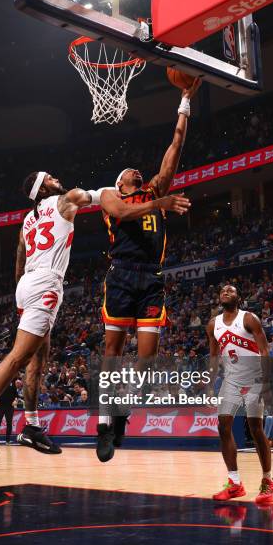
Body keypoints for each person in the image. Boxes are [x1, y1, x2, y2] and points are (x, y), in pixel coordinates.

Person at [0, 171, 190, 458]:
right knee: (19, 357)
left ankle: (32, 426)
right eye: (50, 178)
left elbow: (20, 255)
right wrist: (125, 189)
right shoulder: (66, 199)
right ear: (42, 187)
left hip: (26, 283)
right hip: (46, 283)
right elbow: (104, 198)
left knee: (38, 360)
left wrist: (22, 289)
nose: (56, 178)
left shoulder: (27, 220)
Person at [96, 79, 201, 462]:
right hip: (121, 273)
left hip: (151, 277)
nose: (136, 172)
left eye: (138, 172)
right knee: (112, 350)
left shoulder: (156, 191)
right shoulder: (111, 197)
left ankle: (122, 409)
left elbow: (175, 148)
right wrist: (160, 204)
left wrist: (184, 102)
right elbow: (123, 213)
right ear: (121, 181)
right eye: (130, 172)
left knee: (147, 359)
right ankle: (105, 423)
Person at [206, 284, 273, 504]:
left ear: (239, 297)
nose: (225, 292)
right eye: (222, 291)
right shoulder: (213, 325)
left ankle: (268, 481)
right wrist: (210, 382)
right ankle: (235, 483)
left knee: (255, 428)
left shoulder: (249, 319)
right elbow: (213, 357)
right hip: (231, 381)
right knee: (223, 426)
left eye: (230, 290)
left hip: (255, 378)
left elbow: (265, 350)